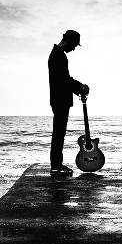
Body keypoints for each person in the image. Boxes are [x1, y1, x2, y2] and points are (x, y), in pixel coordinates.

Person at [48, 30, 89, 176]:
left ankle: (57, 165)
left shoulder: (58, 55)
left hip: (59, 99)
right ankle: (56, 166)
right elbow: (64, 80)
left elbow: (65, 79)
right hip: (60, 100)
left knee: (60, 133)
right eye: (74, 45)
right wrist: (80, 87)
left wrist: (79, 87)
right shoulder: (58, 56)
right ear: (68, 40)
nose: (74, 48)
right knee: (59, 134)